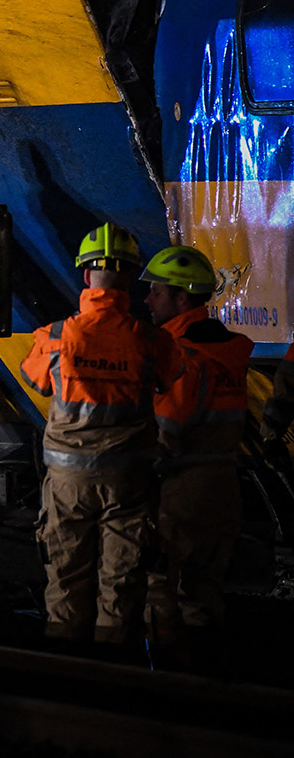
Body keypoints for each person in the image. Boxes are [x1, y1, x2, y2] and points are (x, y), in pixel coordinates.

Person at [21, 222, 181, 655]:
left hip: (68, 483)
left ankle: (66, 672)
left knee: (66, 577)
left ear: (86, 275)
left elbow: (34, 378)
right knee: (122, 579)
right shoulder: (152, 341)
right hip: (130, 483)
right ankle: (111, 670)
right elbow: (171, 376)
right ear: (130, 279)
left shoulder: (54, 338)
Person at [143, 245, 251, 666]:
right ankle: (208, 677)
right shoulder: (228, 352)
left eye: (156, 292)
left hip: (182, 489)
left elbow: (169, 429)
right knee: (203, 590)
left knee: (157, 583)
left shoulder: (184, 355)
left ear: (181, 298)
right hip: (224, 485)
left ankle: (168, 677)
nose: (148, 300)